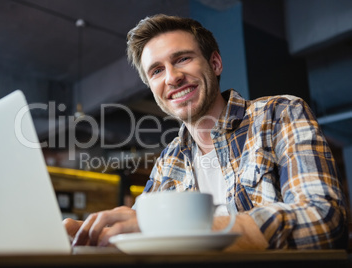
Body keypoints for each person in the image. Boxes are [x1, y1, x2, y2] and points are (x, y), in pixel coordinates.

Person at [64, 14, 348, 250]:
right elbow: (139, 230)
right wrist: (92, 235)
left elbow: (324, 220)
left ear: (215, 64)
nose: (172, 77)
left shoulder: (280, 114)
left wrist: (180, 228)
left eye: (183, 59)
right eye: (156, 71)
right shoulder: (168, 160)